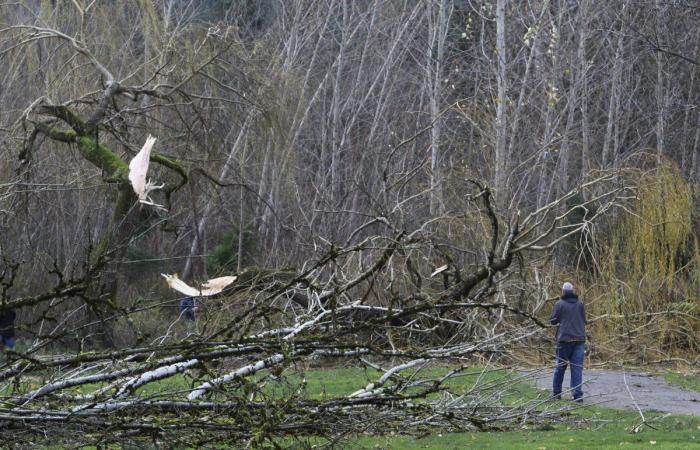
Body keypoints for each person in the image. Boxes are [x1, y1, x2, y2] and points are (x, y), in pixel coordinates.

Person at [550, 282, 586, 402]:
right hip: (579, 340)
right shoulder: (580, 304)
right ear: (573, 291)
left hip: (564, 340)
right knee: (577, 368)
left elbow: (553, 321)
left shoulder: (559, 304)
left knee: (560, 367)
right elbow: (584, 320)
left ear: (563, 292)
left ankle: (556, 393)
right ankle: (577, 395)